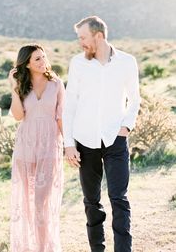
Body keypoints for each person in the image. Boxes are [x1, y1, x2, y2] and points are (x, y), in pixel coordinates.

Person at [62, 16, 141, 252]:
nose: (80, 43)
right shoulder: (78, 63)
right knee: (92, 202)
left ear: (99, 36)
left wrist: (125, 127)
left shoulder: (127, 62)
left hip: (115, 140)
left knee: (119, 199)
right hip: (85, 142)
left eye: (83, 38)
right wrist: (68, 144)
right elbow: (70, 105)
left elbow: (135, 98)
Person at [8, 44, 65, 252]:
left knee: (41, 203)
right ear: (27, 64)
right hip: (25, 149)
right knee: (25, 202)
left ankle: (44, 248)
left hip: (49, 148)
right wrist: (14, 88)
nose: (43, 62)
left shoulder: (56, 84)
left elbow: (61, 117)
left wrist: (69, 146)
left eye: (43, 57)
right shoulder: (22, 84)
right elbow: (18, 116)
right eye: (37, 60)